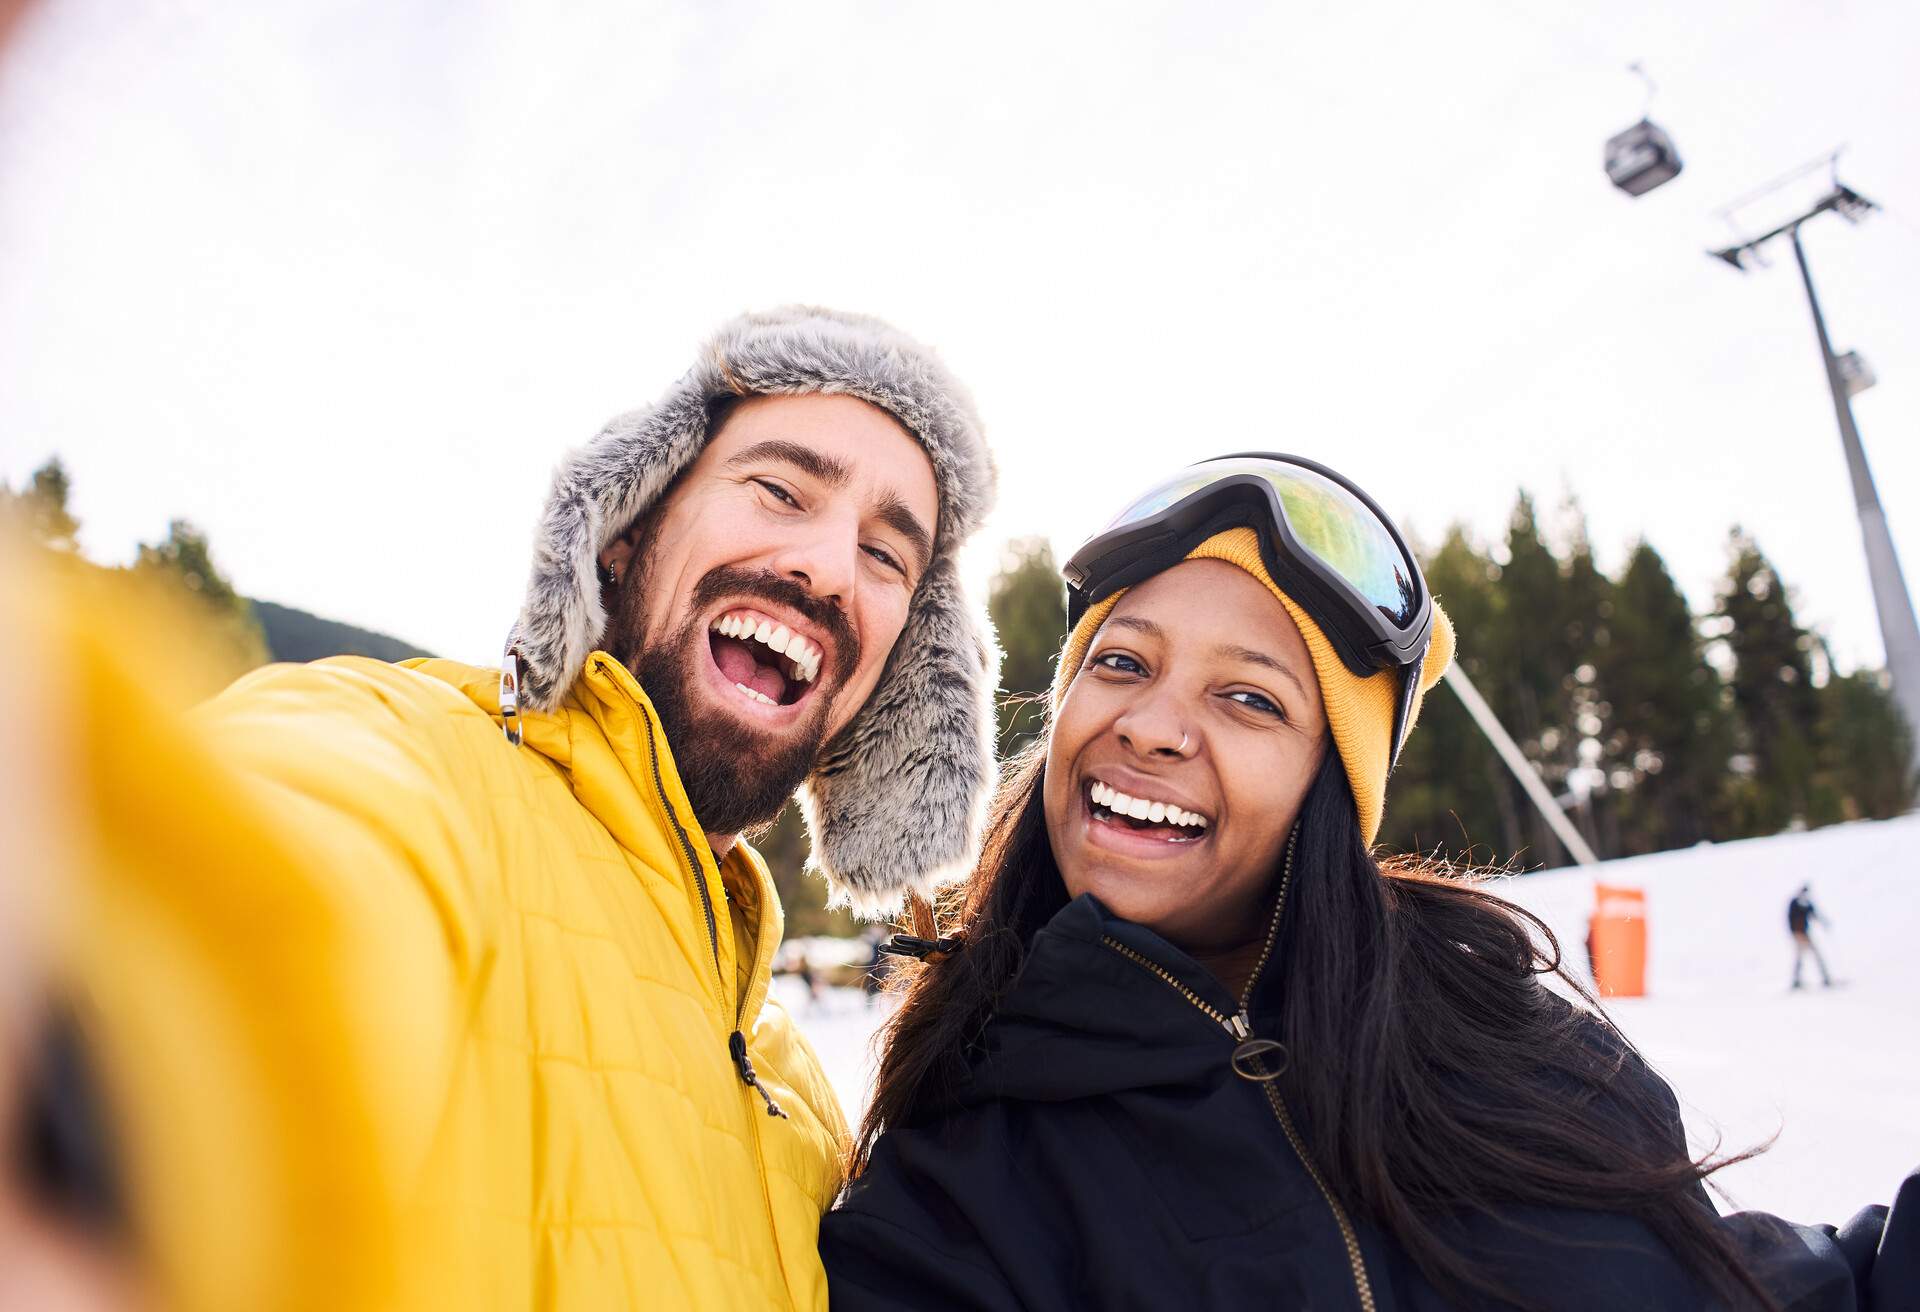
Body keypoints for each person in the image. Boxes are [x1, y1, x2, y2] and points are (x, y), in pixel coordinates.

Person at [21, 307, 1001, 1310]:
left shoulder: (804, 1099)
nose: (831, 566)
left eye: (888, 555)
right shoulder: (422, 757)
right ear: (627, 531)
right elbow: (278, 862)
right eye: (781, 489)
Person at [820, 454, 1918, 1310]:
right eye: (1123, 663)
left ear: (1329, 786)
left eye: (1250, 698)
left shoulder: (1520, 1050)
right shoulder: (959, 1192)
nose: (1153, 727)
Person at [1789, 883, 1834, 990]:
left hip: (1805, 933)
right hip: (1799, 934)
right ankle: (1796, 980)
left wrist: (1824, 922)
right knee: (1800, 957)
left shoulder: (1807, 904)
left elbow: (1814, 914)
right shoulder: (1795, 903)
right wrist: (1795, 932)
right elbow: (1790, 919)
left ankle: (1825, 978)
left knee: (1815, 955)